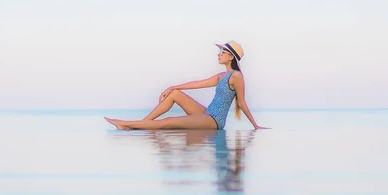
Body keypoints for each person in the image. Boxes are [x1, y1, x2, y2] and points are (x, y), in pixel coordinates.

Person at [104, 41, 269, 130]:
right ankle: (141, 124)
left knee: (169, 121)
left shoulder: (237, 77)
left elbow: (242, 103)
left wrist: (255, 126)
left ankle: (126, 124)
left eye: (222, 52)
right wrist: (172, 86)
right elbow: (197, 84)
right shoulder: (222, 75)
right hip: (207, 113)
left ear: (231, 57)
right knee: (175, 93)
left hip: (214, 120)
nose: (218, 55)